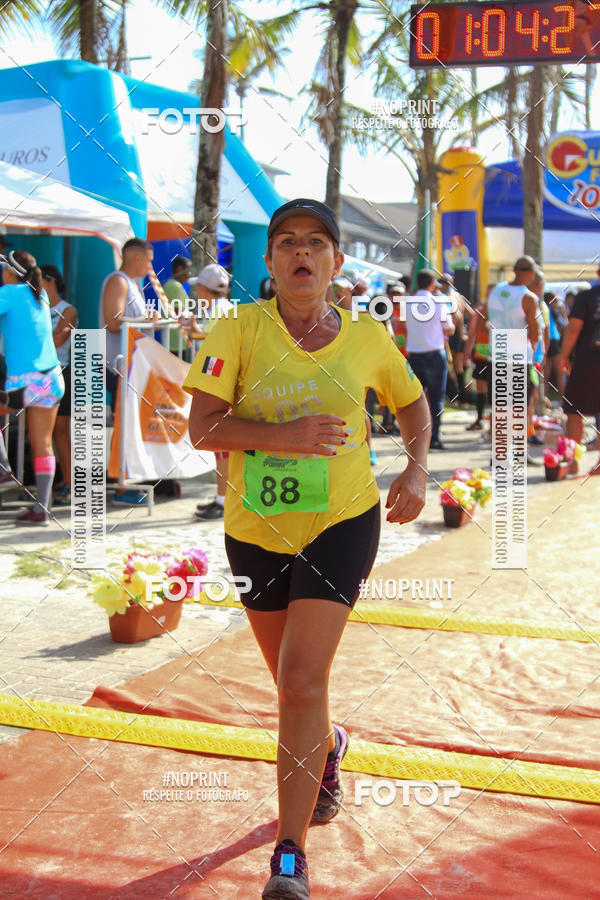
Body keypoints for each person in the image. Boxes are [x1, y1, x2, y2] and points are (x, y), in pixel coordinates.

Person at [184, 198, 430, 900]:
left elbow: (413, 404)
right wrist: (284, 438)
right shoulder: (238, 328)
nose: (301, 252)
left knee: (299, 681)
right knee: (294, 686)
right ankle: (329, 748)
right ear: (268, 261)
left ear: (336, 262)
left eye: (316, 243)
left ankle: (288, 856)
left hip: (342, 521)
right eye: (287, 241)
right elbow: (201, 428)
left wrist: (416, 468)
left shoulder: (367, 336)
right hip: (255, 532)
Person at [0, 250, 64, 525]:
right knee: (43, 444)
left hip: (25, 380)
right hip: (52, 379)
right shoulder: (40, 294)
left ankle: (3, 469)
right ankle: (42, 510)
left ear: (9, 271)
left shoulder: (9, 293)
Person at [99, 237, 156, 506]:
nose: (150, 266)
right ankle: (120, 486)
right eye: (148, 261)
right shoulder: (119, 281)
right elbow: (113, 322)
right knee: (124, 425)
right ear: (137, 258)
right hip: (118, 365)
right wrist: (147, 320)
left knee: (129, 426)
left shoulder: (132, 284)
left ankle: (124, 481)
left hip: (131, 367)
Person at [183, 263, 233, 521]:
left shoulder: (220, 311)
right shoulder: (222, 309)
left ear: (204, 289)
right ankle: (222, 498)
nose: (196, 293)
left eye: (198, 288)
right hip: (222, 386)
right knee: (221, 448)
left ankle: (224, 501)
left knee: (223, 448)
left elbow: (215, 351)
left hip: (222, 388)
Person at [487, 256, 541, 463]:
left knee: (499, 407)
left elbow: (485, 318)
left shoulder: (495, 290)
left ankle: (498, 454)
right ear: (530, 273)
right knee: (520, 408)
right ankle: (518, 452)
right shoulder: (528, 297)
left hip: (496, 356)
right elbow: (534, 334)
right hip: (518, 358)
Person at [404, 268, 455, 449]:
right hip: (434, 355)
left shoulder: (407, 303)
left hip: (415, 356)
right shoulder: (438, 302)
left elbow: (405, 324)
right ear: (433, 284)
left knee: (415, 399)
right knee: (436, 399)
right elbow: (449, 328)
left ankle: (415, 437)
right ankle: (434, 437)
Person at [41, 265, 78, 505]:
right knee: (41, 433)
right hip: (39, 372)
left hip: (62, 371)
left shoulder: (68, 309)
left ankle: (70, 484)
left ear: (50, 282)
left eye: (38, 281)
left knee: (61, 431)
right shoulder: (37, 307)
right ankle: (43, 486)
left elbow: (58, 339)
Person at [560, 277, 600, 474]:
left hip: (588, 361)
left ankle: (572, 461)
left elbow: (574, 328)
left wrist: (564, 356)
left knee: (574, 410)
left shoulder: (586, 297)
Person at [464, 285, 493, 431]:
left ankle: (493, 421)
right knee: (482, 388)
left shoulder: (502, 312)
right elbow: (471, 334)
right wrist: (467, 354)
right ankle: (480, 419)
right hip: (482, 355)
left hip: (498, 355)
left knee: (495, 389)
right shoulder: (480, 312)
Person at [439, 273, 468, 407]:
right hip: (456, 334)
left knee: (448, 366)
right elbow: (471, 313)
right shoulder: (458, 296)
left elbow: (458, 316)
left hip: (451, 334)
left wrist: (456, 330)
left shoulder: (449, 297)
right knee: (458, 368)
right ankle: (462, 399)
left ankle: (455, 398)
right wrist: (464, 332)